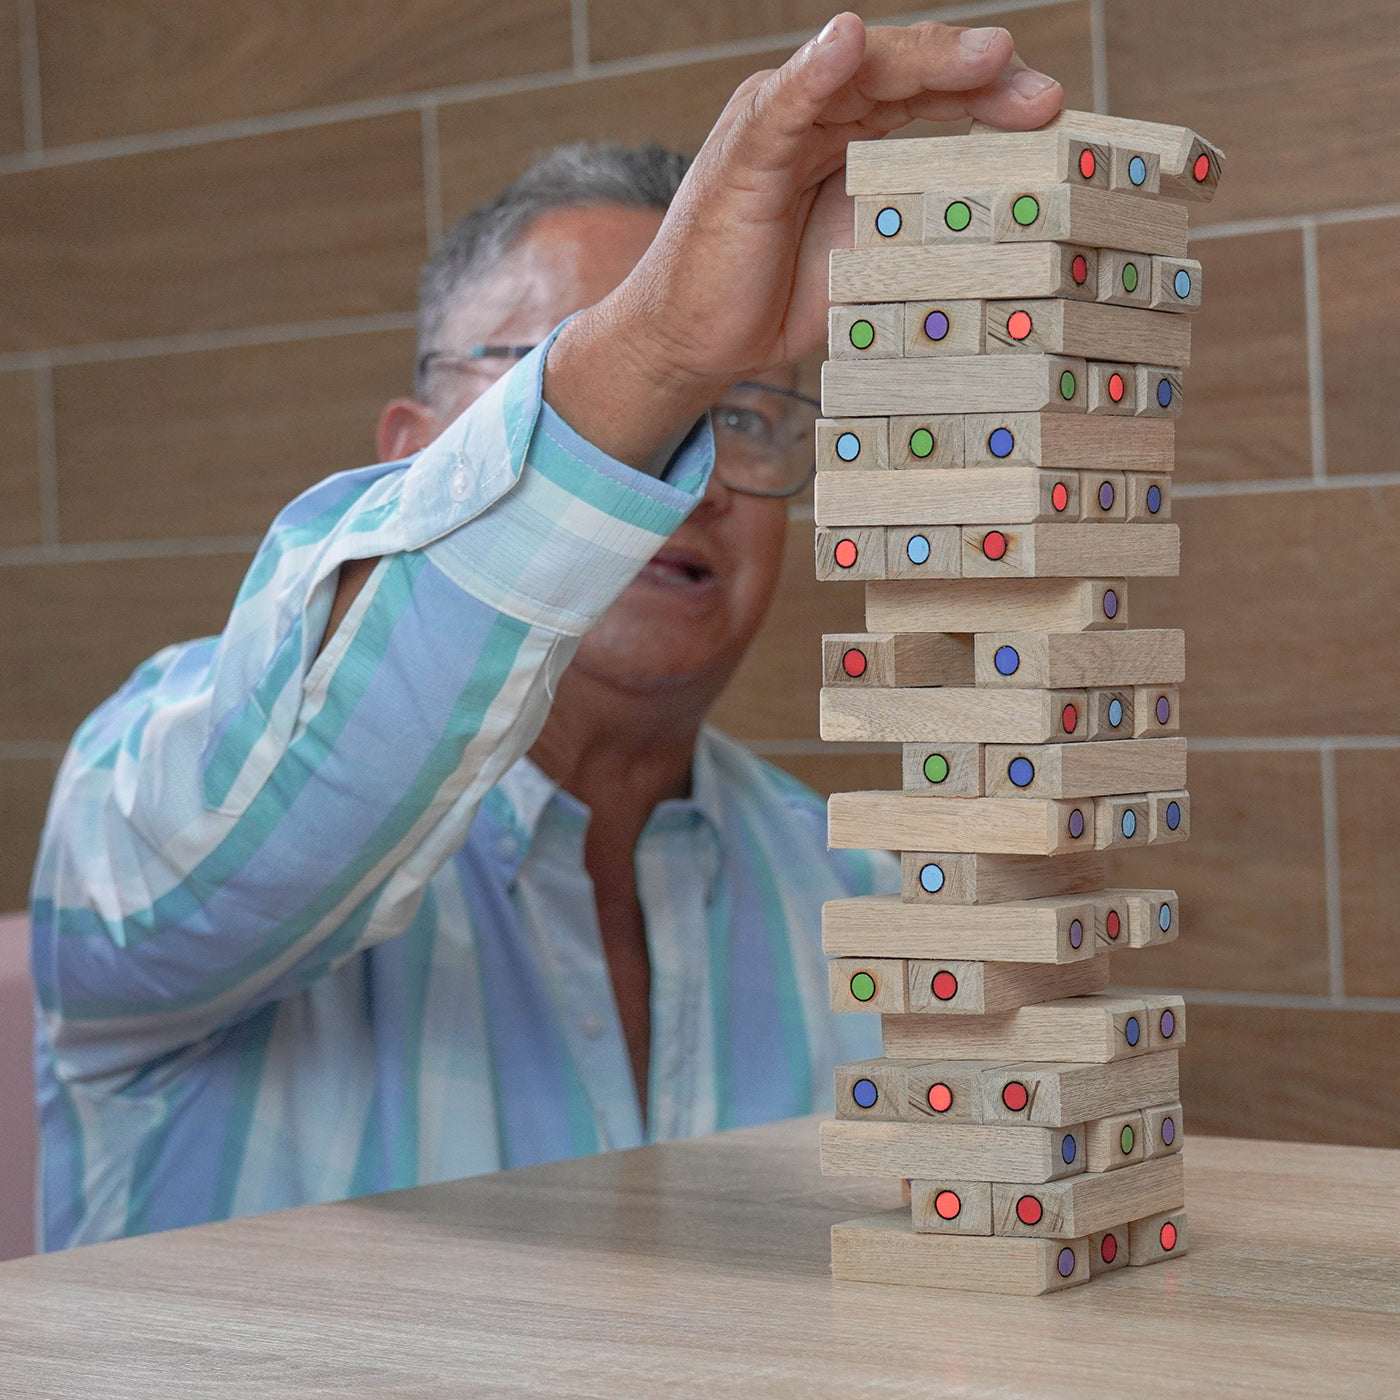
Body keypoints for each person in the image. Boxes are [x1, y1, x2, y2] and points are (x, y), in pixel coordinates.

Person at [30, 14, 1063, 1248]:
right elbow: (296, 777)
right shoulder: (142, 806)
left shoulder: (868, 903)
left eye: (742, 413)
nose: (691, 479)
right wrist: (661, 342)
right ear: (413, 455)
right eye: (635, 401)